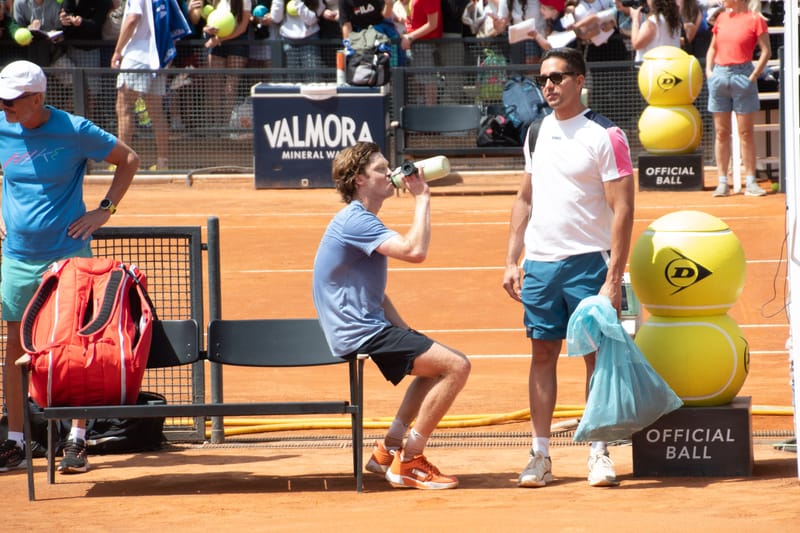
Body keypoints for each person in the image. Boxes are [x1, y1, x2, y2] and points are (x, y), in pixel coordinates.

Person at [502, 46, 634, 488]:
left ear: (580, 80)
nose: (549, 86)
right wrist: (511, 259)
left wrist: (614, 278)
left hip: (588, 265)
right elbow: (524, 198)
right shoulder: (536, 132)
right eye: (544, 79)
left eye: (558, 77)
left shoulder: (606, 135)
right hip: (540, 265)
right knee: (542, 355)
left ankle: (599, 451)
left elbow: (623, 209)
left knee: (595, 358)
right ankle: (539, 455)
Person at [0, 60, 140, 473]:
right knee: (14, 350)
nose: (3, 107)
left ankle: (77, 441)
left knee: (76, 350)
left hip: (68, 258)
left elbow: (128, 159)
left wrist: (105, 211)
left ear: (37, 99)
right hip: (18, 258)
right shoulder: (1, 125)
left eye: (10, 101)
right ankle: (15, 440)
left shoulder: (75, 130)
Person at [312, 142, 471, 490]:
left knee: (434, 365)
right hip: (359, 333)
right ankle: (411, 460)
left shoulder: (362, 220)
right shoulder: (356, 220)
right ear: (359, 180)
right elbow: (415, 251)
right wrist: (423, 198)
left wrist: (408, 332)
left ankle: (387, 450)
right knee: (457, 366)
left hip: (365, 327)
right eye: (381, 170)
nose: (390, 174)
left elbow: (375, 294)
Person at [111, 0, 191, 171]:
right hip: (157, 59)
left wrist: (117, 51)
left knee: (124, 108)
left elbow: (132, 19)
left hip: (137, 59)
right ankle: (163, 163)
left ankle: (123, 163)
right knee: (156, 111)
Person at [705, 0, 770, 197]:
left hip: (743, 74)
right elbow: (712, 48)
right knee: (721, 132)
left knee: (746, 132)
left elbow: (766, 51)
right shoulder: (722, 17)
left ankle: (750, 181)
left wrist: (753, 76)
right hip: (720, 75)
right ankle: (722, 181)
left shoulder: (755, 20)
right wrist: (709, 72)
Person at [402, 0, 443, 103]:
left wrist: (410, 37)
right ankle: (422, 110)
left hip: (425, 45)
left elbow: (432, 24)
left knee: (429, 82)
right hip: (416, 45)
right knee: (418, 82)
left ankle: (429, 114)